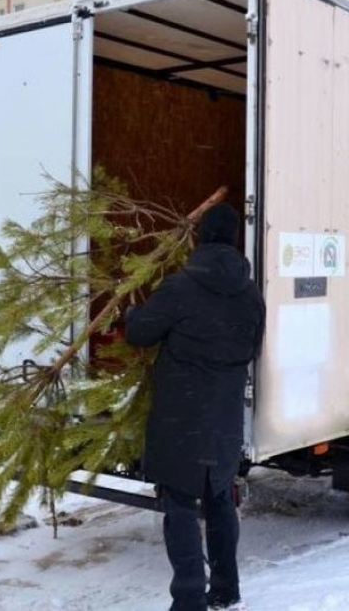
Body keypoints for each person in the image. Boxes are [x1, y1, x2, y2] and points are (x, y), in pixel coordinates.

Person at [125, 203, 265, 611]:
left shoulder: (180, 287)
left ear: (201, 238)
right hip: (224, 414)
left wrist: (132, 310)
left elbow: (139, 333)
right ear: (235, 239)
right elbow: (253, 348)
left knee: (181, 504)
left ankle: (189, 599)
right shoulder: (252, 294)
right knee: (220, 498)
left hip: (180, 414)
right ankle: (225, 589)